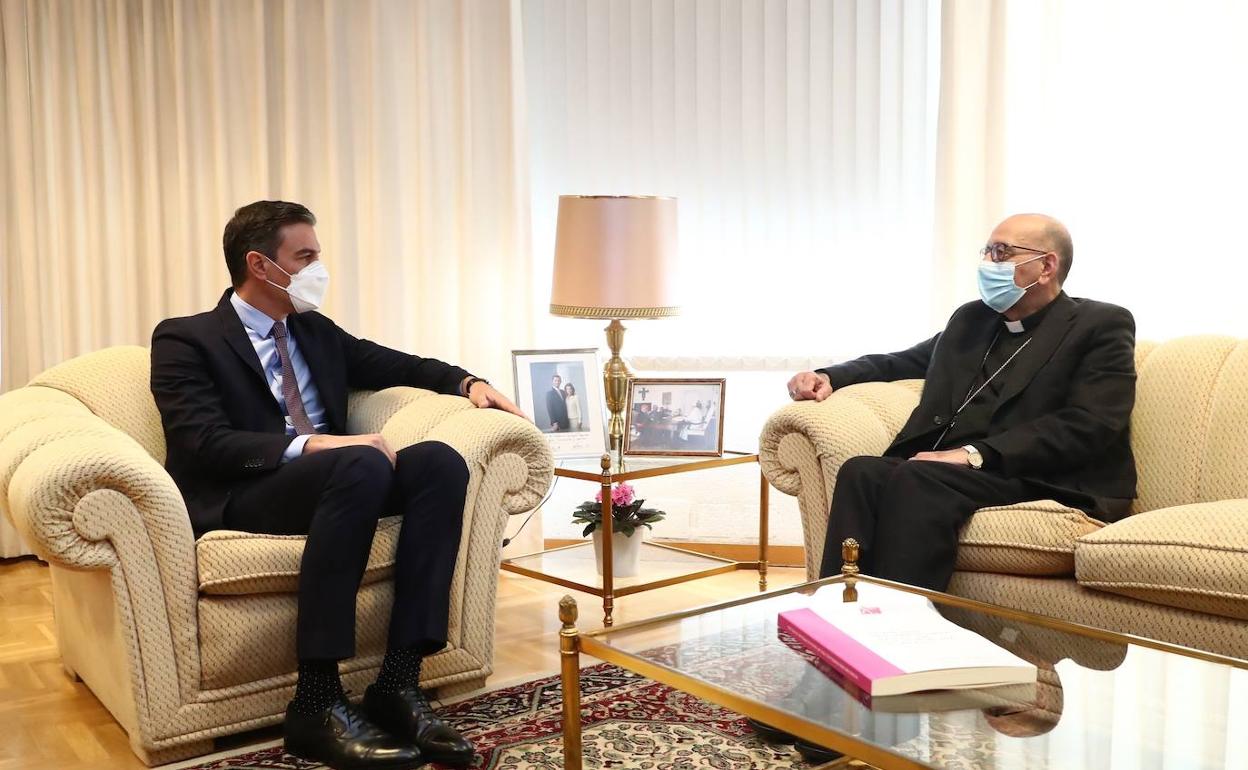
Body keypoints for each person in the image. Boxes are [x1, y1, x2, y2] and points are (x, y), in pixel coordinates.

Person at [151, 200, 526, 770]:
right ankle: (317, 700)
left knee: (440, 463)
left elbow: (399, 364)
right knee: (363, 463)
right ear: (259, 264)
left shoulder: (314, 331)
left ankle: (398, 683)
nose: (317, 268)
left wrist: (468, 382)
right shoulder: (186, 339)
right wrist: (319, 444)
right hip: (249, 491)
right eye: (305, 256)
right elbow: (202, 442)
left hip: (346, 481)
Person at [786, 213, 1136, 593]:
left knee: (917, 476)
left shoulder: (1099, 324)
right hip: (962, 472)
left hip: (1042, 473)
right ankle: (838, 608)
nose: (988, 263)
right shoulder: (973, 319)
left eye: (1002, 252)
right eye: (987, 251)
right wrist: (832, 376)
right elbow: (906, 360)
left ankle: (903, 623)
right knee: (862, 472)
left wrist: (974, 454)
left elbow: (1092, 422)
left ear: (1047, 265)